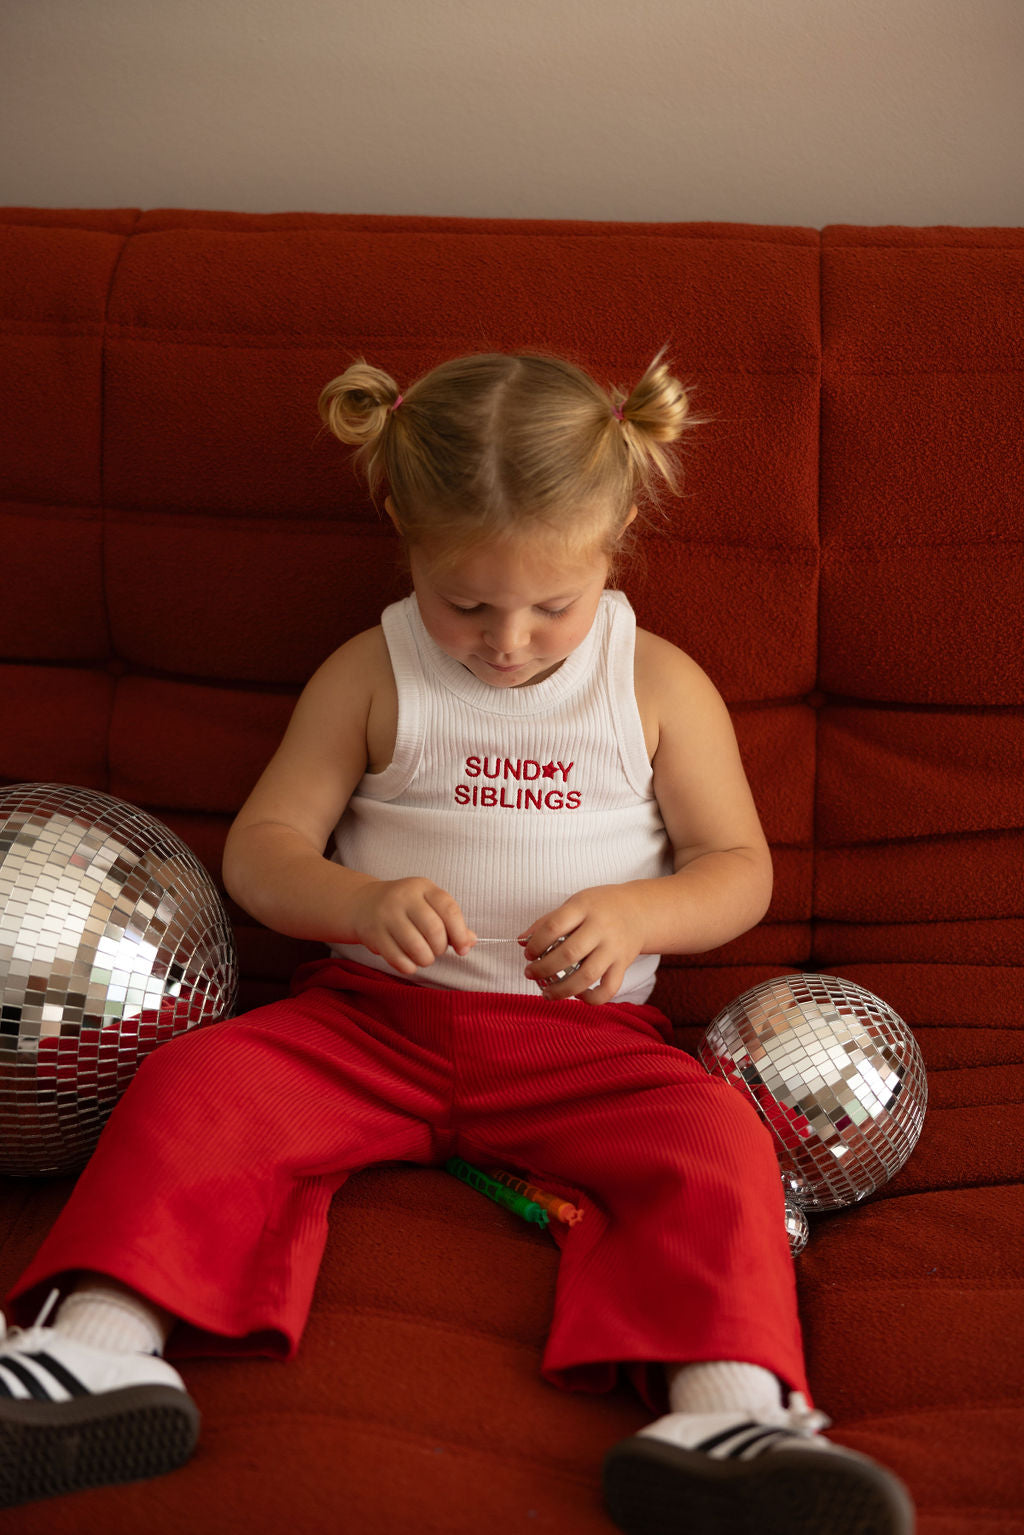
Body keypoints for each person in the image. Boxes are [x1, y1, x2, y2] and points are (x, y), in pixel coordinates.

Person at [0, 352, 913, 1533]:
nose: (507, 642)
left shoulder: (655, 683)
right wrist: (353, 901)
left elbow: (739, 871)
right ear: (403, 532)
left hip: (584, 1043)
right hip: (363, 1021)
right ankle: (94, 1353)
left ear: (617, 535)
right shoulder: (373, 668)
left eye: (551, 607)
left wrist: (638, 914)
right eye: (466, 605)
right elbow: (264, 847)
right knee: (196, 1085)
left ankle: (728, 1413)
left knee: (713, 1142)